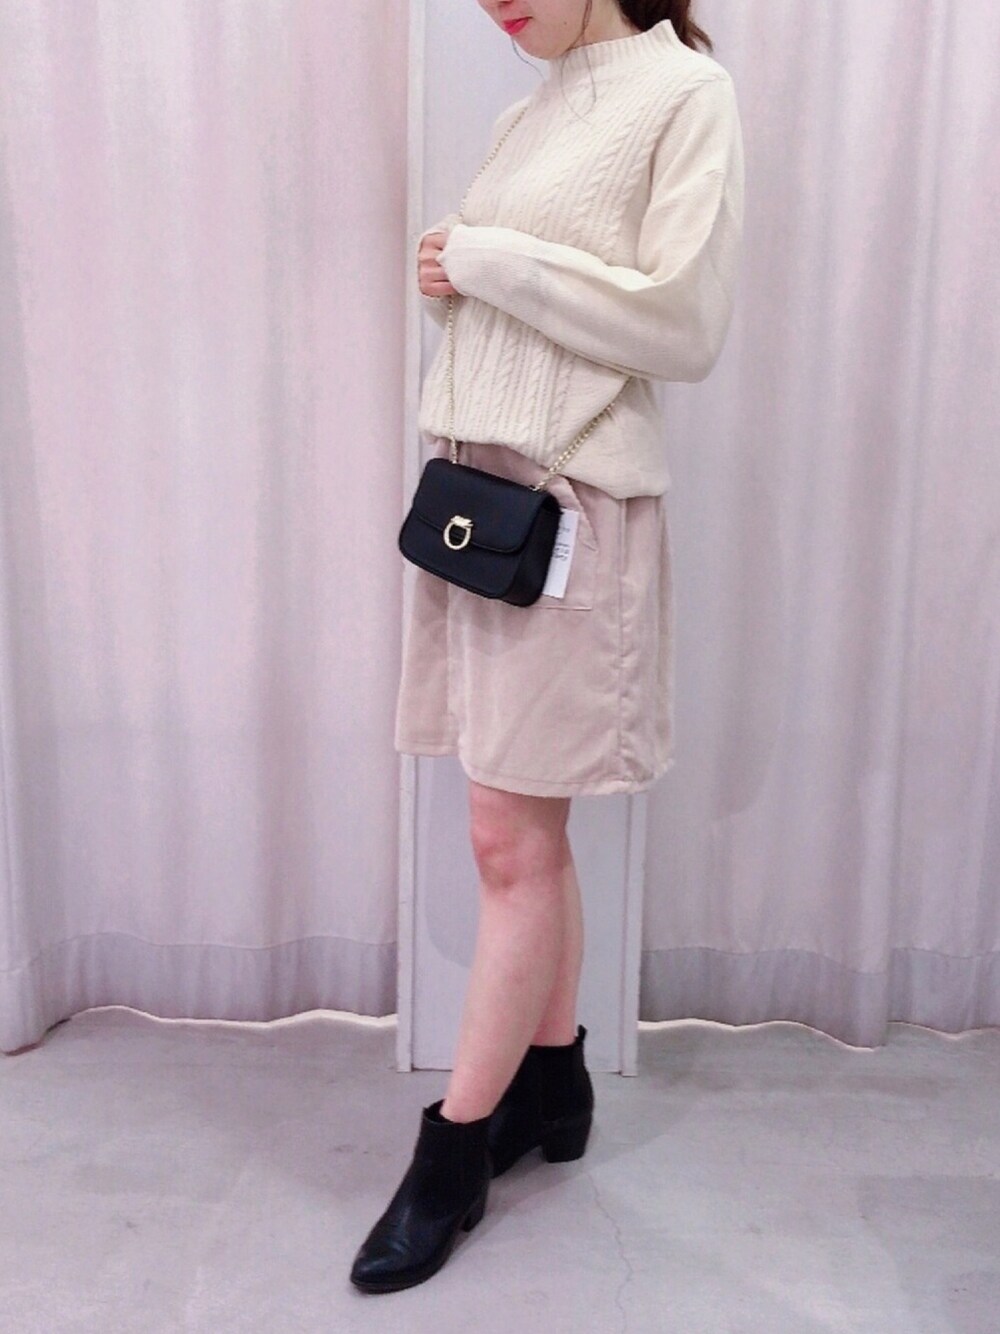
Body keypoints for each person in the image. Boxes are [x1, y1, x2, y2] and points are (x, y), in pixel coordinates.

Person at [350, 0, 745, 1294]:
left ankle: (454, 1152)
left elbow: (682, 328)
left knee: (506, 841)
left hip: (571, 512)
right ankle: (552, 1081)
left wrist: (490, 260)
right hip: (483, 502)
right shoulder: (532, 108)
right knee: (523, 827)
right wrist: (451, 285)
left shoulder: (684, 94)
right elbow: (525, 314)